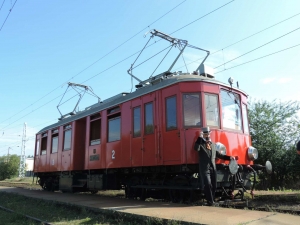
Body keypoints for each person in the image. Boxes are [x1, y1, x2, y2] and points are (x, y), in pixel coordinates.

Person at [194, 127, 235, 206]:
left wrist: (229, 157)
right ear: (203, 135)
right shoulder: (200, 144)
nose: (207, 135)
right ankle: (210, 201)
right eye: (205, 134)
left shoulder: (212, 144)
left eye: (208, 133)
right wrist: (199, 137)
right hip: (205, 168)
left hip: (213, 167)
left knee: (214, 185)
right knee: (208, 184)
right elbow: (196, 148)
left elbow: (219, 155)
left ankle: (212, 200)